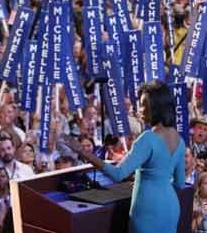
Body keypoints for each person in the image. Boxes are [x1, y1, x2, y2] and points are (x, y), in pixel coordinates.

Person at [65, 81, 185, 233]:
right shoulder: (179, 140)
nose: (139, 110)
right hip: (171, 207)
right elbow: (180, 183)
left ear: (156, 107)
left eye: (143, 105)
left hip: (148, 209)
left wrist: (82, 151)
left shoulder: (147, 139)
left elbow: (118, 173)